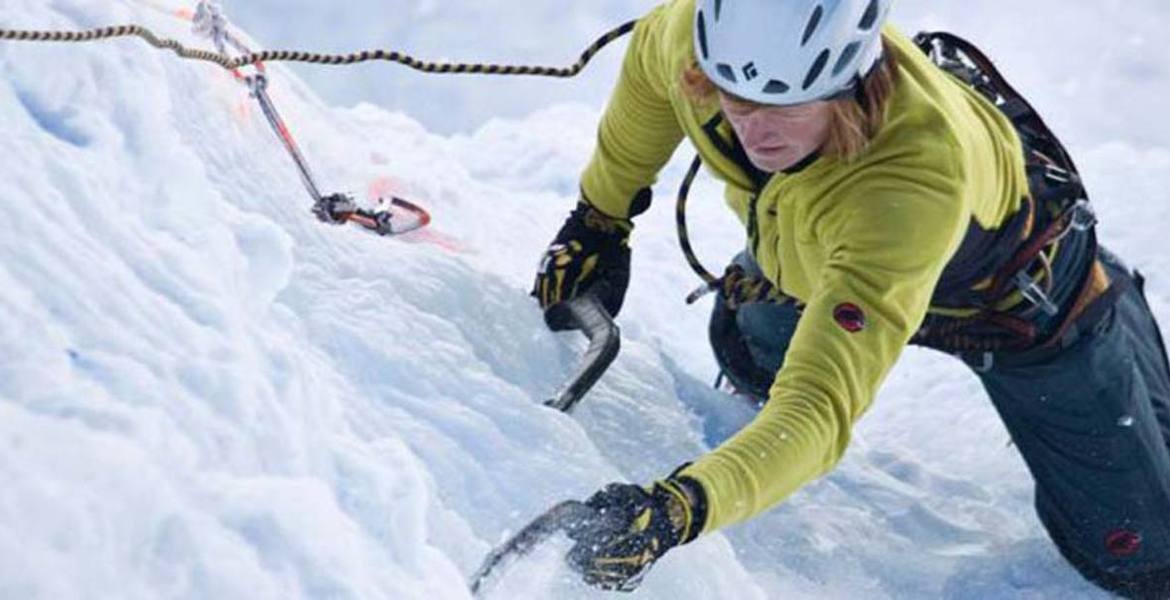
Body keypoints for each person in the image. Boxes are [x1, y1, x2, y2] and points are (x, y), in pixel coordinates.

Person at [530, 0, 1170, 597]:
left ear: (849, 86)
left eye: (784, 108)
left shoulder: (912, 181)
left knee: (1135, 551)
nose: (754, 129)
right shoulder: (695, 41)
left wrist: (680, 508)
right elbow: (649, 72)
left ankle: (1106, 307)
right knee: (748, 347)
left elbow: (817, 411)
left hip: (1011, 305)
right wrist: (599, 220)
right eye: (736, 101)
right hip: (824, 256)